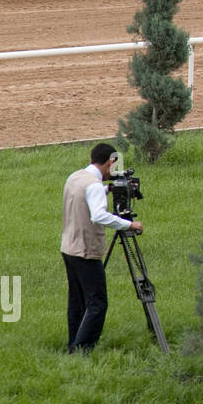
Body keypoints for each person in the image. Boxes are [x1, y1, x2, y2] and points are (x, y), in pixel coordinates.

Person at [60, 143, 142, 354]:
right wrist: (129, 224)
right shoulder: (94, 186)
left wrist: (108, 189)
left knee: (76, 301)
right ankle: (83, 349)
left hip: (69, 247)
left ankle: (73, 344)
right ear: (109, 162)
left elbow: (84, 198)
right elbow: (98, 215)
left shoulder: (75, 177)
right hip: (86, 251)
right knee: (97, 304)